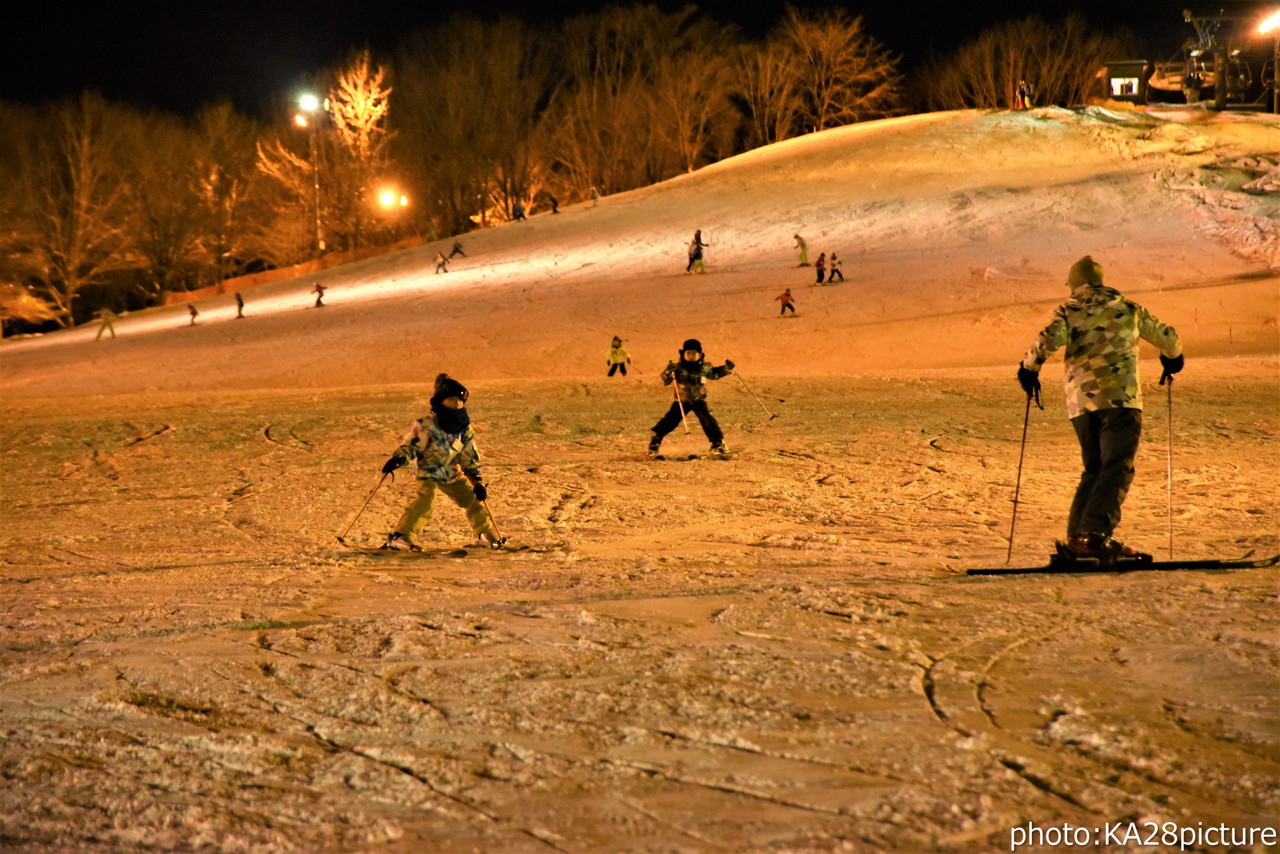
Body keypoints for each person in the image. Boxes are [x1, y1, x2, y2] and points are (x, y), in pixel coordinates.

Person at [1017, 255, 1183, 562]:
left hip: (1081, 404)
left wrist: (1029, 369)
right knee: (1116, 467)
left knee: (1094, 469)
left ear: (1074, 285)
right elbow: (1168, 337)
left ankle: (1077, 539)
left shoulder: (1070, 310)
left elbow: (1047, 339)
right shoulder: (1128, 309)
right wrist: (1173, 358)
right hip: (1121, 399)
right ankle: (1093, 537)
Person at [380, 374, 504, 551]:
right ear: (442, 401)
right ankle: (401, 536)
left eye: (460, 400)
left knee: (472, 500)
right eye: (452, 399)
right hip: (428, 472)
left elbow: (468, 455)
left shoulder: (463, 429)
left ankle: (485, 534)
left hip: (451, 473)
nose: (457, 404)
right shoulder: (427, 425)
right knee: (426, 500)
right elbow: (412, 445)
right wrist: (399, 458)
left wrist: (476, 481)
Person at [649, 339, 734, 457]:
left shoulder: (704, 367)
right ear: (683, 354)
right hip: (682, 400)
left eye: (694, 354)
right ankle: (656, 440)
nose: (691, 356)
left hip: (698, 399)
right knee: (671, 420)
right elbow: (666, 379)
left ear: (699, 355)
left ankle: (717, 443)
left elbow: (714, 374)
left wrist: (726, 368)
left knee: (707, 419)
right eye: (688, 353)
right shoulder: (677, 368)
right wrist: (668, 372)